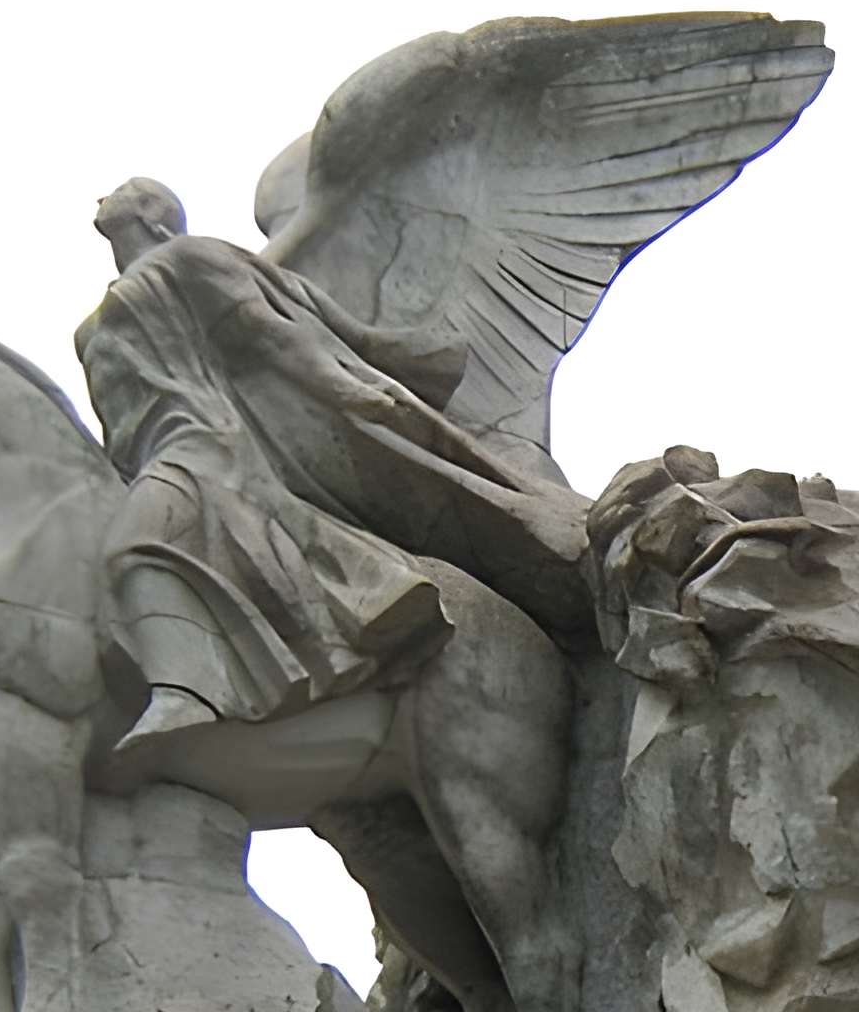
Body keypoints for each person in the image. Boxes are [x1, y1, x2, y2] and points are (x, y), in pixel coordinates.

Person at [75, 178, 583, 762]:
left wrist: (345, 388)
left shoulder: (188, 258)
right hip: (145, 459)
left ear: (153, 216)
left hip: (205, 445)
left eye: (126, 190)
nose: (103, 196)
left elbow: (271, 334)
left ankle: (185, 690)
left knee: (135, 544)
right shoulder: (89, 329)